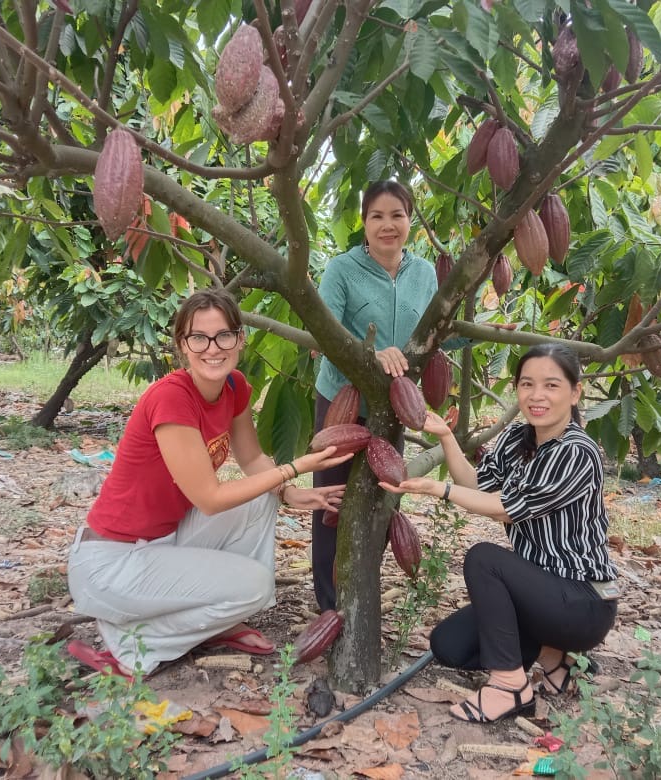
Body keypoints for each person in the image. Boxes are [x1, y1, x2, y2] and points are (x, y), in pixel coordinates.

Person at [66, 289, 351, 677]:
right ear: (182, 345)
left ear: (240, 339)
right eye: (198, 337)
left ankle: (218, 620)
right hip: (110, 565)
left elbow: (251, 459)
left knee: (261, 499)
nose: (212, 348)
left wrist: (289, 492)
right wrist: (294, 468)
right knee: (255, 587)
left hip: (160, 543)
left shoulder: (234, 387)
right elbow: (209, 499)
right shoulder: (171, 398)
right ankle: (132, 646)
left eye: (223, 336)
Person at [380, 344, 618, 723]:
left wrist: (437, 489)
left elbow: (506, 508)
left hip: (584, 602)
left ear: (575, 393)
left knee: (484, 560)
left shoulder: (576, 452)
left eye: (551, 385)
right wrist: (446, 437)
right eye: (527, 384)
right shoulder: (517, 439)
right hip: (540, 594)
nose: (537, 395)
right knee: (449, 646)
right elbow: (476, 486)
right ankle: (556, 659)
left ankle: (510, 687)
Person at [310, 180, 443, 612]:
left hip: (392, 408)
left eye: (397, 215)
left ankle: (359, 592)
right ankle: (330, 606)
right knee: (332, 503)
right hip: (343, 401)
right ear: (364, 223)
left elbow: (434, 334)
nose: (388, 225)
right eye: (377, 216)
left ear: (410, 221)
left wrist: (484, 331)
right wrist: (372, 353)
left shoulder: (424, 273)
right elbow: (323, 337)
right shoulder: (342, 270)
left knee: (380, 500)